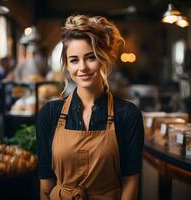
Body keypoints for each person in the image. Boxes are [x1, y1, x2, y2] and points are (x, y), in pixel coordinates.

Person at [36, 14, 144, 200]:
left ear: (104, 58)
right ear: (67, 65)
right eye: (74, 60)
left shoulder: (127, 114)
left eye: (90, 57)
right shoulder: (50, 113)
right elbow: (46, 183)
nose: (82, 67)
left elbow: (131, 181)